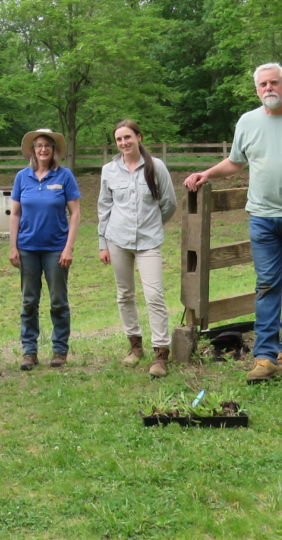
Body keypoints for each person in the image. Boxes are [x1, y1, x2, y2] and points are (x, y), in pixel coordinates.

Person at [184, 62, 282, 382]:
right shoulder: (248, 122)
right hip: (262, 218)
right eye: (262, 85)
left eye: (274, 83)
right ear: (257, 90)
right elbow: (235, 162)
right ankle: (265, 356)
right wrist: (207, 174)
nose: (268, 88)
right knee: (267, 284)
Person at [98, 120, 177, 377]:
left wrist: (153, 224)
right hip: (117, 240)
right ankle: (135, 346)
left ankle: (161, 354)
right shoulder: (109, 170)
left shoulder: (156, 167)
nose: (123, 143)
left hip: (148, 241)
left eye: (128, 137)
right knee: (125, 294)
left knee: (154, 295)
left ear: (139, 137)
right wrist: (103, 244)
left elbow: (169, 204)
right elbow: (104, 208)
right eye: (119, 139)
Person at [8, 129, 81, 370]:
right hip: (27, 248)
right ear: (32, 150)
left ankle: (59, 350)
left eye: (47, 146)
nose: (43, 149)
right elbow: (15, 213)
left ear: (54, 150)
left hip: (55, 249)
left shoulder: (65, 176)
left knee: (58, 301)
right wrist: (13, 246)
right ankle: (29, 351)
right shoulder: (22, 177)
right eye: (38, 145)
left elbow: (76, 213)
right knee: (29, 301)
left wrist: (68, 248)